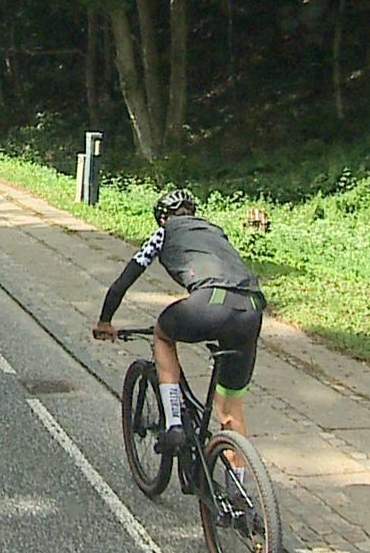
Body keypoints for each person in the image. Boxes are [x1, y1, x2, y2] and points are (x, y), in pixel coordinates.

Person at [91, 189, 265, 455]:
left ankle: (173, 424)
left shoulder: (164, 233)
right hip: (251, 308)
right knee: (231, 411)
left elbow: (122, 283)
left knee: (162, 333)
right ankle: (238, 479)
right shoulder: (216, 232)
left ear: (163, 218)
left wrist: (105, 321)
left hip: (211, 302)